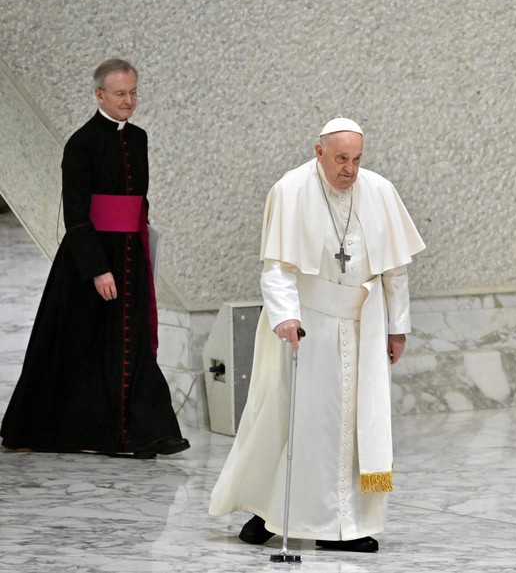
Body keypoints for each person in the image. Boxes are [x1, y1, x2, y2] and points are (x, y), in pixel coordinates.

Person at [209, 117, 425, 553]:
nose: (350, 169)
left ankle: (345, 526)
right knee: (294, 422)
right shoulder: (290, 191)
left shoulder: (380, 192)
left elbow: (395, 271)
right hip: (307, 326)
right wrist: (286, 317)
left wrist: (397, 328)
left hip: (363, 327)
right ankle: (267, 511)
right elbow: (277, 269)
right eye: (342, 158)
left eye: (358, 159)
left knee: (354, 429)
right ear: (318, 151)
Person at [1, 58, 188, 459]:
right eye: (120, 93)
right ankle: (84, 432)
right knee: (79, 346)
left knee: (132, 340)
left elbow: (140, 199)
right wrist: (97, 269)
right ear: (99, 94)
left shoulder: (138, 138)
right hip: (92, 262)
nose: (129, 100)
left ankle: (150, 432)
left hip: (130, 256)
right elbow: (76, 215)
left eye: (134, 92)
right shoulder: (81, 143)